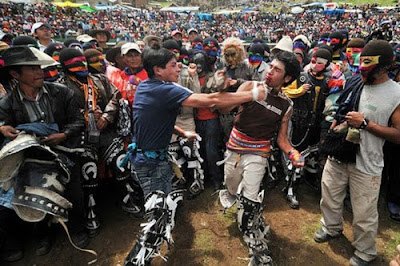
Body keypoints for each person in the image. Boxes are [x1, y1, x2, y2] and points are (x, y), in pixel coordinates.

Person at [124, 47, 268, 266]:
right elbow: (209, 99)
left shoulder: (148, 86)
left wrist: (182, 132)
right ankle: (135, 261)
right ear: (158, 70)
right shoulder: (165, 90)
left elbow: (156, 119)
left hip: (155, 159)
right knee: (157, 218)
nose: (178, 67)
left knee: (164, 202)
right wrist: (253, 95)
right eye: (173, 65)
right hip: (150, 163)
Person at [314, 40, 400, 266]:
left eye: (367, 65)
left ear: (383, 67)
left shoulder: (396, 94)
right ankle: (331, 227)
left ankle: (365, 251)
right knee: (329, 195)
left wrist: (366, 124)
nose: (361, 68)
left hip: (367, 162)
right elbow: (341, 110)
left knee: (364, 212)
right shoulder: (354, 81)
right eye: (360, 63)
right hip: (339, 153)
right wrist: (334, 129)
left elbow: (399, 135)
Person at [0, 46, 87, 259]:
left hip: (63, 150)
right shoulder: (7, 103)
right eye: (32, 68)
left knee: (74, 191)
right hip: (32, 157)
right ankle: (43, 235)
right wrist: (2, 126)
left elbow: (78, 122)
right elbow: (4, 123)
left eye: (39, 67)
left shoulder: (62, 92)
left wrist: (63, 135)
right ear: (15, 75)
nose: (40, 71)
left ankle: (78, 229)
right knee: (32, 195)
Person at [219, 51, 303, 266]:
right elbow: (224, 108)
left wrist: (293, 154)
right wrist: (226, 92)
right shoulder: (250, 87)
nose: (270, 72)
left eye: (277, 70)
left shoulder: (286, 105)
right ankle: (235, 198)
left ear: (286, 78)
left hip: (259, 152)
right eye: (271, 67)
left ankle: (251, 233)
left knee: (250, 197)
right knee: (231, 186)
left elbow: (283, 140)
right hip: (235, 147)